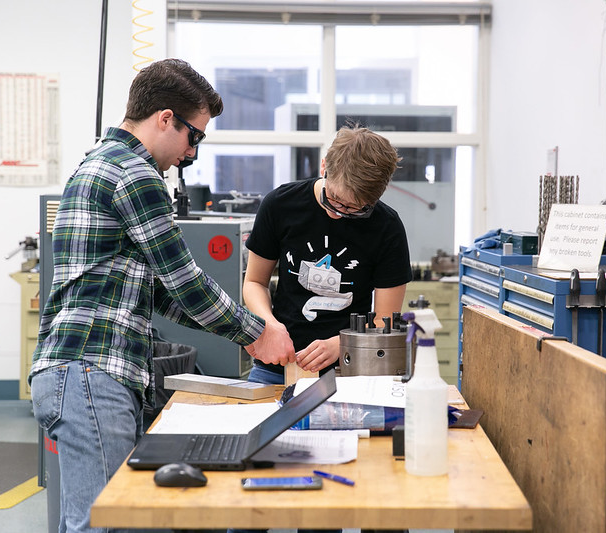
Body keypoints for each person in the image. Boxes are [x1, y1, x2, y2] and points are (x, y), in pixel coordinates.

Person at [28, 58, 295, 533]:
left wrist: (247, 337)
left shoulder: (99, 163)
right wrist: (257, 332)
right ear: (165, 119)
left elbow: (158, 294)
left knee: (108, 520)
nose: (192, 153)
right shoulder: (135, 174)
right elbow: (184, 281)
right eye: (195, 135)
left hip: (79, 372)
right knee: (104, 525)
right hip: (92, 371)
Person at [242, 124, 413, 385]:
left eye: (355, 209)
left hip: (350, 369)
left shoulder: (387, 228)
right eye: (333, 199)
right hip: (277, 365)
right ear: (324, 167)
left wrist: (342, 344)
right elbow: (254, 282)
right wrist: (269, 324)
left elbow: (384, 320)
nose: (339, 213)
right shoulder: (280, 205)